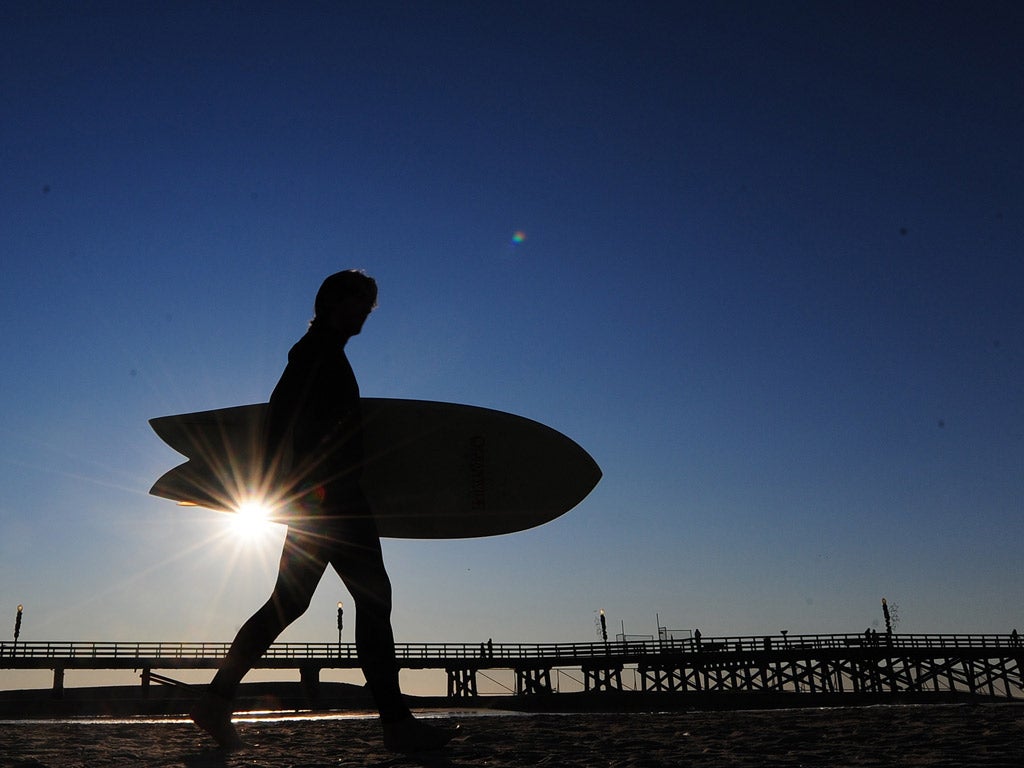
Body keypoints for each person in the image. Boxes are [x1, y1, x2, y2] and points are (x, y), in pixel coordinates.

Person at [191, 270, 453, 753]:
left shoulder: (325, 352)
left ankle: (216, 699)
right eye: (359, 303)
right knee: (371, 601)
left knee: (289, 603)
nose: (365, 313)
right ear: (332, 302)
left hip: (320, 500)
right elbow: (279, 416)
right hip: (332, 500)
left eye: (369, 305)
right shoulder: (314, 353)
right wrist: (279, 486)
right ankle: (397, 724)